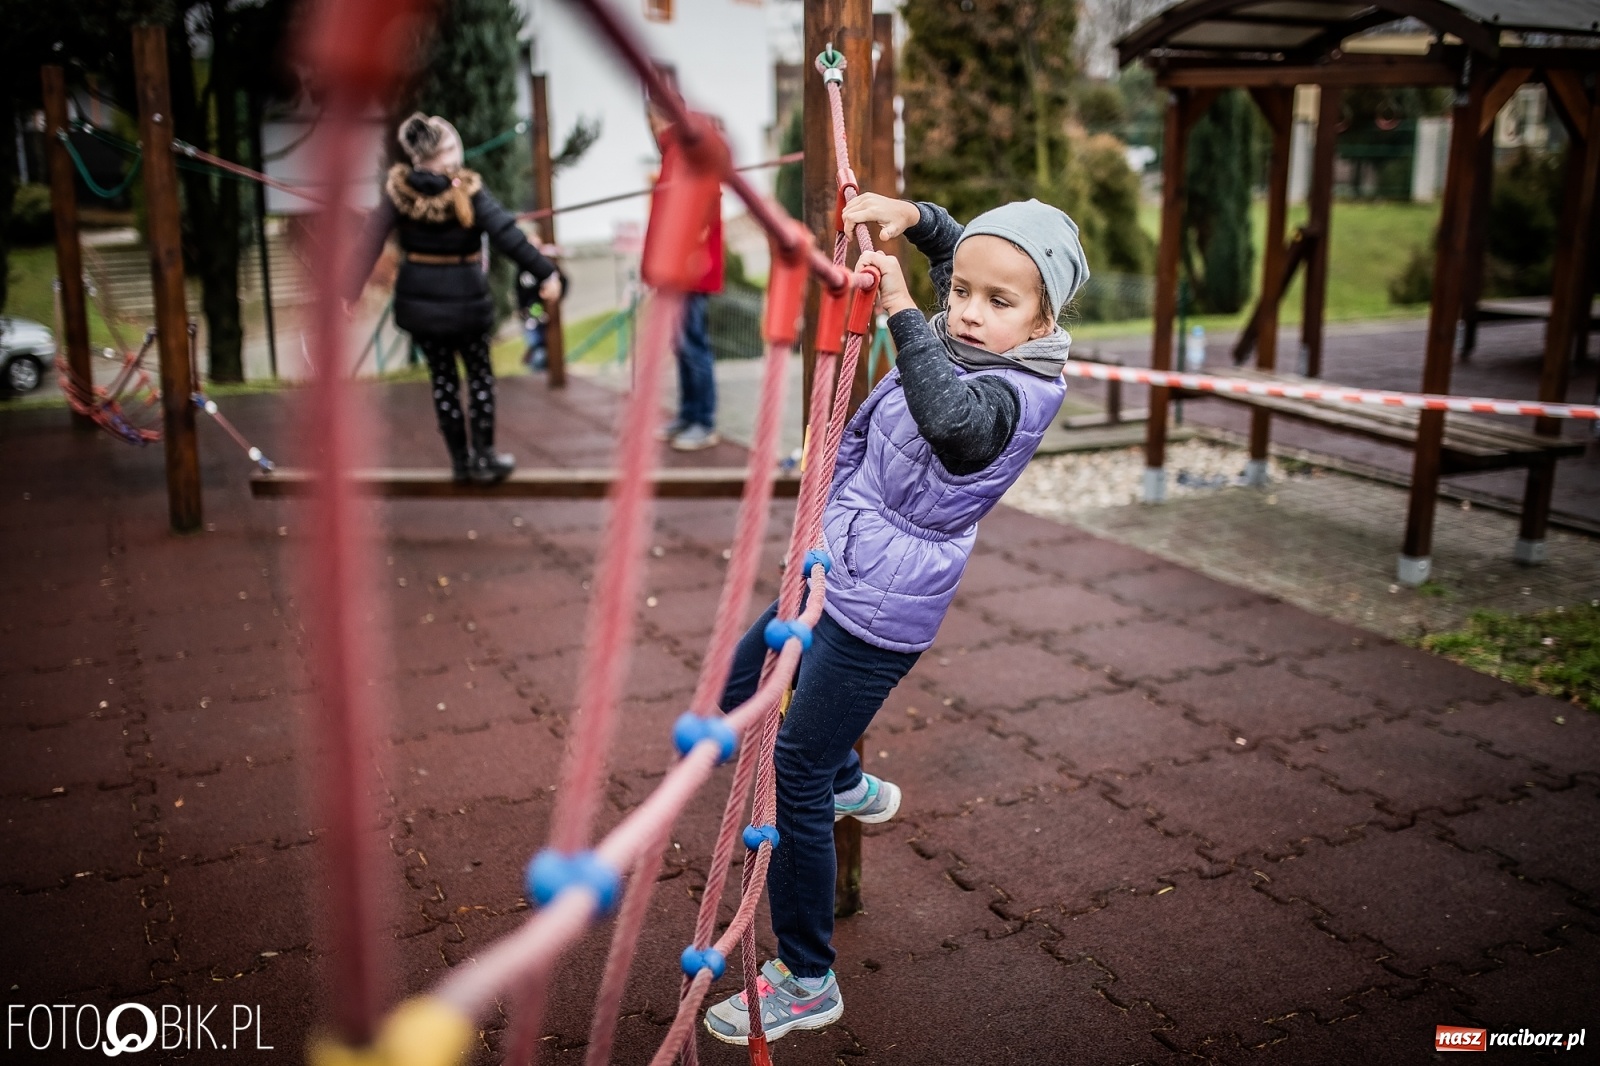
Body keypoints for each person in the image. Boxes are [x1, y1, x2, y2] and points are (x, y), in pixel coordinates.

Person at [703, 194, 1088, 1045]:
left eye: (1001, 302)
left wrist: (905, 309)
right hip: (839, 557)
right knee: (735, 700)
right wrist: (907, 212)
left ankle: (808, 976)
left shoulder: (1020, 393)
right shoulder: (969, 318)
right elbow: (956, 244)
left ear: (1043, 318)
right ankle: (846, 776)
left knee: (789, 769)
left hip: (888, 602)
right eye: (964, 294)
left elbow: (951, 425)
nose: (972, 311)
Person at [350, 113, 564, 484]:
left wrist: (346, 292)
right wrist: (547, 272)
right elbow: (508, 235)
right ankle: (485, 457)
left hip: (420, 307)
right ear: (447, 153)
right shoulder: (467, 190)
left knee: (443, 381)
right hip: (466, 303)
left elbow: (369, 241)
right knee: (479, 376)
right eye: (453, 141)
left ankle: (461, 463)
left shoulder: (398, 194)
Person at [646, 101, 724, 452]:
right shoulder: (674, 152)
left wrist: (689, 255)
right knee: (681, 344)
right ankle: (689, 412)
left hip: (691, 267)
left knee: (693, 343)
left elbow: (703, 204)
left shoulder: (689, 150)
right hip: (679, 266)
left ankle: (704, 421)